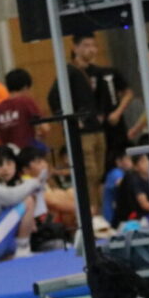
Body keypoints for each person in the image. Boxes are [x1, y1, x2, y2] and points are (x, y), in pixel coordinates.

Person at [47, 33, 105, 212]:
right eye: (86, 45)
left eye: (93, 45)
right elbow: (53, 97)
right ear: (75, 47)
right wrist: (68, 121)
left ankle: (98, 210)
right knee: (88, 172)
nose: (91, 49)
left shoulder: (95, 71)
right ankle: (91, 212)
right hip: (82, 131)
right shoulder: (69, 71)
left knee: (98, 173)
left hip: (96, 128)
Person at [0, 69, 48, 151]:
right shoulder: (27, 102)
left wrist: (7, 131)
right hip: (27, 152)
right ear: (25, 87)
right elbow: (45, 128)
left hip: (8, 154)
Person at [113, 153, 149, 227]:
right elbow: (145, 205)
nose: (148, 164)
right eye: (143, 161)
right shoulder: (132, 178)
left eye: (148, 161)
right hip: (129, 222)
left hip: (144, 217)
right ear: (135, 167)